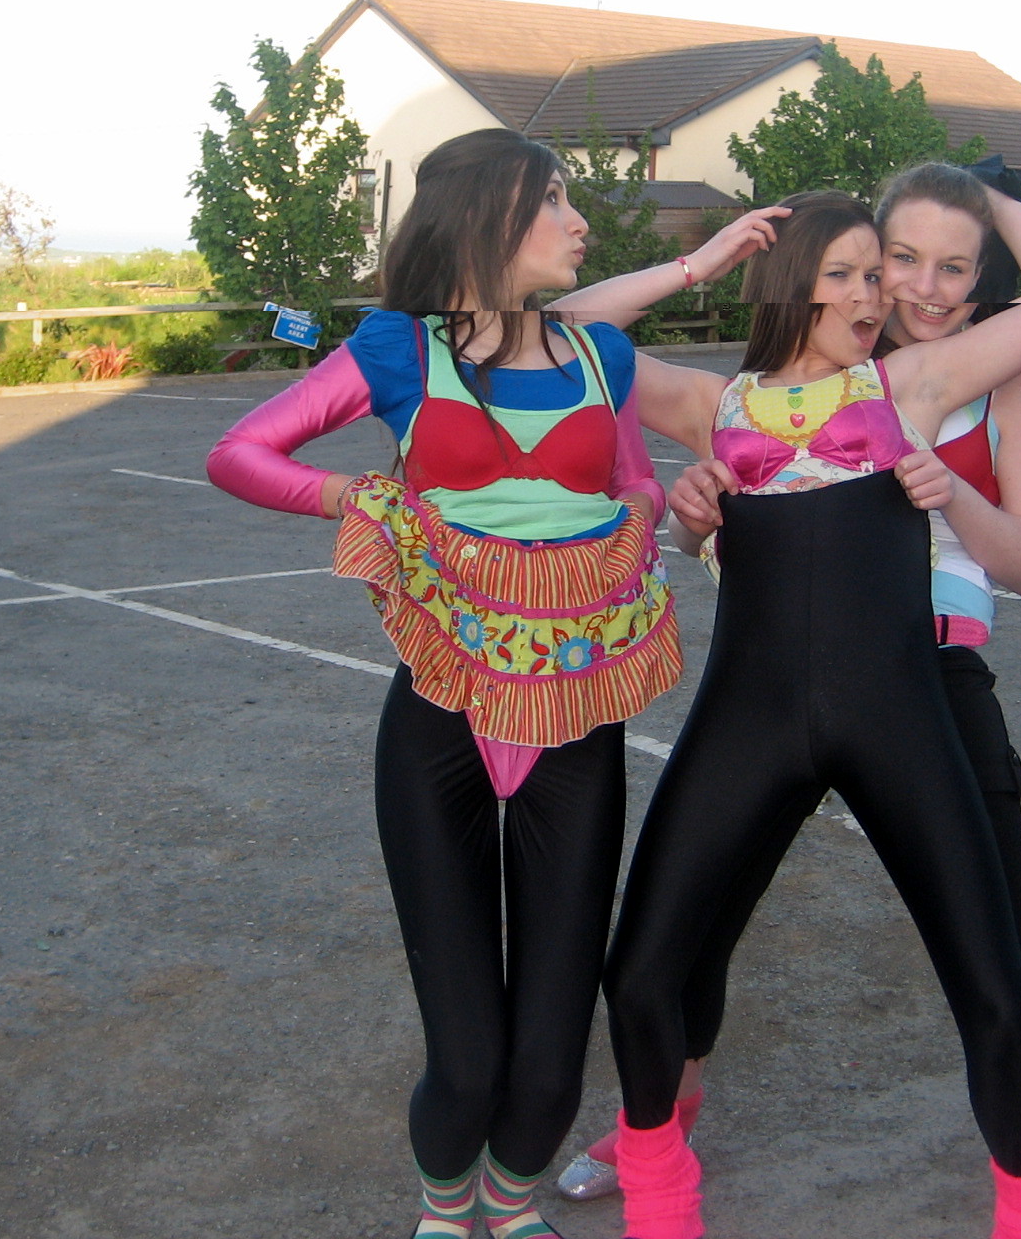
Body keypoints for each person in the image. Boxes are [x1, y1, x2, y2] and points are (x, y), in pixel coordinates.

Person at [556, 160, 1021, 1239]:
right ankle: (658, 1152)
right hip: (757, 705)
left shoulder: (933, 379)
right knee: (668, 953)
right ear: (804, 274)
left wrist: (993, 196)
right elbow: (562, 330)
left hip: (926, 686)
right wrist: (703, 262)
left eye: (934, 269)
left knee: (1006, 971)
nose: (896, 291)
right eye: (877, 267)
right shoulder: (725, 401)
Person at [203, 127, 780, 1239]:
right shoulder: (393, 348)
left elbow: (631, 485)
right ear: (485, 216)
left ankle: (509, 1207)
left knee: (551, 1067)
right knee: (465, 1063)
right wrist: (357, 501)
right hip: (440, 718)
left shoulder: (599, 358)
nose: (577, 221)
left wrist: (645, 522)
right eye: (553, 199)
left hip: (575, 715)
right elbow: (241, 452)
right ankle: (444, 1210)